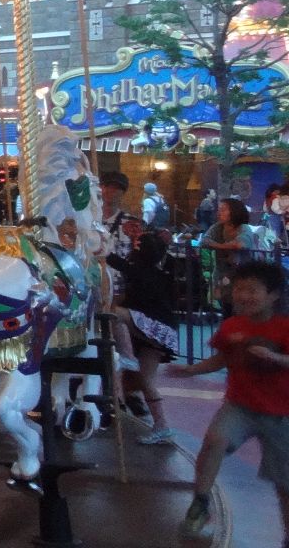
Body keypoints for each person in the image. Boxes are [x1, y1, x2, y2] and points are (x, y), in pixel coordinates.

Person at [171, 261, 289, 541]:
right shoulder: (232, 326)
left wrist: (275, 358)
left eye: (252, 290)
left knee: (284, 483)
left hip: (281, 413)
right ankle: (201, 503)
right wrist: (191, 370)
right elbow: (222, 358)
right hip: (240, 406)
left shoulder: (284, 327)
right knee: (215, 440)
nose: (244, 295)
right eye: (239, 289)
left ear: (273, 295)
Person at [108, 231, 181, 443]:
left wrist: (99, 249)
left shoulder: (140, 271)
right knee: (145, 380)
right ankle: (161, 425)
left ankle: (127, 355)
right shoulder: (157, 275)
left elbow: (117, 262)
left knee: (114, 313)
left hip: (155, 327)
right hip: (162, 332)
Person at [205, 198, 265, 314]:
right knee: (226, 306)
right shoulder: (217, 227)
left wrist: (218, 246)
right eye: (219, 210)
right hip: (223, 274)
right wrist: (225, 246)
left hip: (242, 275)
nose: (219, 213)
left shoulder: (244, 228)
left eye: (223, 210)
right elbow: (205, 241)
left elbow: (240, 244)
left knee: (241, 307)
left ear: (234, 212)